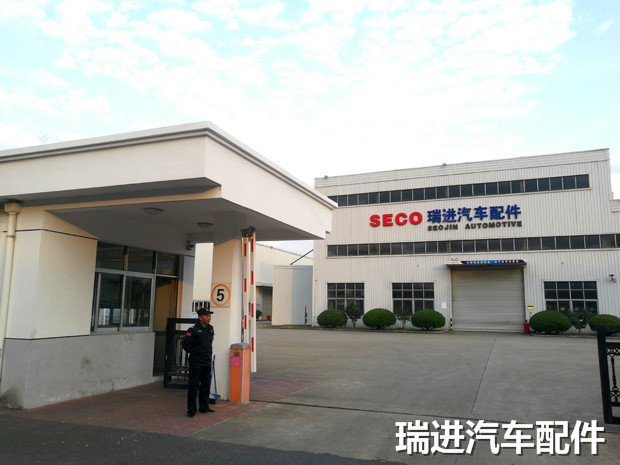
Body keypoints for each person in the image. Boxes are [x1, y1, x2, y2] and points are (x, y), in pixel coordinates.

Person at [182, 307, 215, 417]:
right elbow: (186, 345)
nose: (209, 318)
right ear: (200, 318)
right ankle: (191, 410)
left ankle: (204, 407)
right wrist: (196, 353)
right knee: (193, 386)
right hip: (196, 363)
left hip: (207, 362)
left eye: (209, 316)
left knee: (205, 386)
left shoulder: (210, 329)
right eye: (206, 316)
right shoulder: (193, 330)